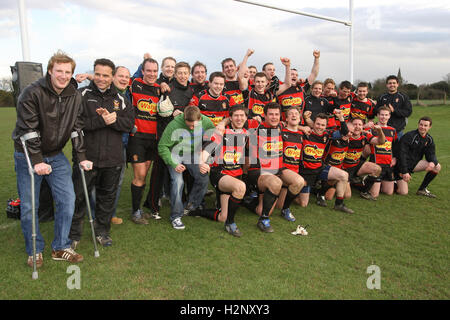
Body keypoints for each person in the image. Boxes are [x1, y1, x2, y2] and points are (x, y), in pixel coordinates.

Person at [12, 50, 92, 267]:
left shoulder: (74, 95)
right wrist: (37, 160)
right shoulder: (32, 93)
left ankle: (60, 246)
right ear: (50, 70)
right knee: (30, 205)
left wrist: (82, 156)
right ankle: (35, 250)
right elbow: (28, 130)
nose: (63, 76)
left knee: (68, 201)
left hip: (56, 155)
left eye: (68, 72)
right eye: (59, 71)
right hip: (28, 155)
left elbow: (76, 128)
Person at [69, 58, 134, 248]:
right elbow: (75, 125)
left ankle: (102, 232)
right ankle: (73, 235)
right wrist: (101, 121)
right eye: (97, 74)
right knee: (79, 198)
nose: (101, 78)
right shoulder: (81, 94)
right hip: (86, 158)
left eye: (106, 75)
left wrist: (113, 120)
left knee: (107, 199)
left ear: (112, 77)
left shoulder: (121, 99)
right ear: (93, 73)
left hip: (113, 160)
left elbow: (129, 124)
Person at [144, 62, 195, 219]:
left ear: (189, 74)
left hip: (182, 137)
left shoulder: (191, 91)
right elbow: (159, 109)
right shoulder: (166, 87)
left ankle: (185, 202)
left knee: (184, 171)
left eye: (185, 72)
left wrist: (184, 113)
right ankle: (152, 204)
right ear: (175, 74)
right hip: (165, 135)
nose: (182, 75)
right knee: (159, 171)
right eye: (179, 72)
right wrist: (169, 112)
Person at [247, 102, 305, 232]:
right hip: (259, 171)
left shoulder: (279, 126)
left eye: (277, 114)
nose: (274, 117)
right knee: (262, 207)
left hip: (278, 168)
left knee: (299, 182)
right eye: (271, 114)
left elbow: (292, 126)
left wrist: (303, 127)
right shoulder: (257, 130)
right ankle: (263, 219)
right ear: (265, 116)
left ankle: (285, 209)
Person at [158, 106, 215, 230]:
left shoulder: (206, 121)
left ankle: (190, 206)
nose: (191, 128)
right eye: (188, 125)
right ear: (184, 118)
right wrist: (174, 164)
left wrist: (205, 158)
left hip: (194, 154)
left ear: (200, 119)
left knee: (203, 175)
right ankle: (176, 216)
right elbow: (162, 146)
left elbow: (213, 138)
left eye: (194, 126)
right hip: (175, 154)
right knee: (178, 182)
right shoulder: (174, 124)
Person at [198, 105, 250, 237]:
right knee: (240, 187)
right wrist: (202, 162)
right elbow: (208, 149)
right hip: (220, 174)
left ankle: (197, 211)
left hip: (236, 174)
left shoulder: (246, 132)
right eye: (236, 116)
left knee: (222, 216)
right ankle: (230, 224)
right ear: (230, 118)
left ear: (246, 117)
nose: (239, 118)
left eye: (242, 116)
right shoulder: (222, 132)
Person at [297, 111, 353, 214]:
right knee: (303, 203)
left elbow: (344, 132)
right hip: (306, 171)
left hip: (319, 168)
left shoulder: (327, 135)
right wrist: (302, 127)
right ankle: (300, 191)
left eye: (323, 125)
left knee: (344, 175)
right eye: (318, 124)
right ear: (313, 124)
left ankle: (339, 204)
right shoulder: (306, 133)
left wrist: (341, 117)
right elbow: (287, 126)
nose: (320, 127)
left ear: (326, 126)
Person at [128, 58, 162, 225]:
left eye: (155, 71)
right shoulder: (134, 84)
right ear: (142, 70)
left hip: (153, 139)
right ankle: (135, 211)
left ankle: (138, 209)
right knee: (139, 175)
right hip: (138, 138)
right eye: (148, 70)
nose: (152, 74)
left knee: (144, 176)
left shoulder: (159, 89)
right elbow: (115, 79)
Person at [395, 116, 441, 197]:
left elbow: (431, 154)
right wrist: (404, 171)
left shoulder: (429, 139)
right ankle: (392, 181)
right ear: (418, 124)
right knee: (403, 192)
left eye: (425, 125)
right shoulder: (409, 136)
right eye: (421, 124)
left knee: (437, 167)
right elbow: (401, 155)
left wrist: (433, 162)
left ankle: (422, 189)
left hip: (413, 164)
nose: (422, 127)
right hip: (400, 166)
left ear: (430, 127)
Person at [277, 50, 320, 119]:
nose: (294, 76)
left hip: (299, 124)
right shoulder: (281, 88)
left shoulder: (302, 87)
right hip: (284, 125)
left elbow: (314, 74)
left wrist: (316, 58)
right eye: (292, 74)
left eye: (296, 75)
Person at [366, 106, 398, 199]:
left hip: (388, 164)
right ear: (377, 115)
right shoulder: (372, 129)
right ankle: (365, 180)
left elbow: (395, 146)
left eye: (386, 115)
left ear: (389, 116)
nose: (383, 117)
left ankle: (379, 183)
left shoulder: (392, 130)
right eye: (381, 115)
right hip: (376, 164)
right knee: (374, 195)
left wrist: (395, 157)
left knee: (388, 192)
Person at [376, 75, 412, 139]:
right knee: (383, 148)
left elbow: (408, 112)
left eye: (394, 83)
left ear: (397, 84)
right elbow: (376, 111)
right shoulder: (382, 97)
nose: (392, 85)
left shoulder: (403, 97)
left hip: (398, 132)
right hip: (383, 130)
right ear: (387, 85)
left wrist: (394, 111)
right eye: (390, 83)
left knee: (397, 149)